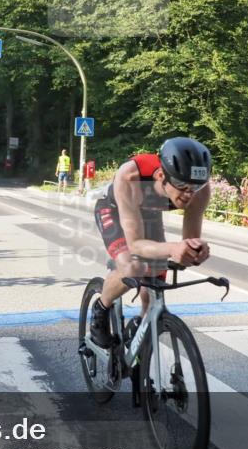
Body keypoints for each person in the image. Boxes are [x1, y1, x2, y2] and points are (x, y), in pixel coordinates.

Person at [89, 137, 213, 347]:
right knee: (133, 266)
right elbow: (136, 243)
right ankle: (100, 310)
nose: (188, 195)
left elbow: (187, 243)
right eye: (182, 186)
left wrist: (194, 251)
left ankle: (140, 349)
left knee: (153, 290)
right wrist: (172, 249)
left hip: (150, 214)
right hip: (115, 210)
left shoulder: (199, 193)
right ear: (161, 175)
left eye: (195, 187)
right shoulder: (131, 176)